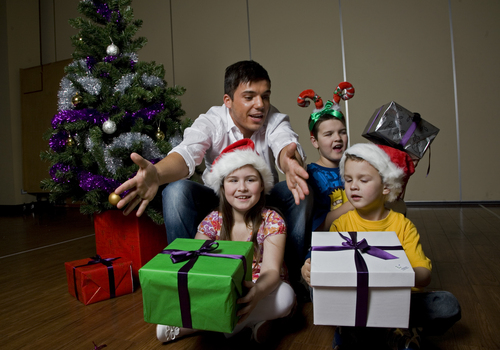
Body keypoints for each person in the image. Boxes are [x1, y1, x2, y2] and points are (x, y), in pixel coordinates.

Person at [114, 60, 313, 290]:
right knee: (176, 192)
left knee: (299, 186)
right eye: (249, 97)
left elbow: (285, 144)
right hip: (220, 202)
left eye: (265, 96)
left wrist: (290, 164)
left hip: (263, 203)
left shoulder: (274, 119)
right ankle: (189, 281)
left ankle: (296, 281)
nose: (260, 105)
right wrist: (157, 174)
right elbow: (187, 154)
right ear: (227, 101)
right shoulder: (212, 121)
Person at [301, 143, 461, 350]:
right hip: (356, 301)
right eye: (348, 180)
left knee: (447, 304)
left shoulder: (402, 225)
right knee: (319, 293)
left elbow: (424, 275)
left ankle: (368, 332)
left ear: (386, 186)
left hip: (397, 301)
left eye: (363, 180)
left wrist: (393, 273)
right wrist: (311, 268)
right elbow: (331, 269)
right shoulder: (341, 224)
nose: (353, 186)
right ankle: (393, 332)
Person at [156, 139, 296, 344]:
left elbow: (271, 271)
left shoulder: (272, 220)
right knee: (174, 318)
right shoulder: (213, 221)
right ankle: (245, 324)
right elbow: (197, 268)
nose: (242, 188)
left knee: (286, 298)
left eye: (250, 180)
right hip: (222, 289)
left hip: (262, 289)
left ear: (262, 185)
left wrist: (256, 293)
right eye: (233, 180)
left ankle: (206, 324)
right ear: (222, 187)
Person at [297, 85, 355, 232]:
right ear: (314, 141)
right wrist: (355, 203)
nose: (338, 138)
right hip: (328, 243)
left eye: (342, 132)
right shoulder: (310, 176)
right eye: (328, 134)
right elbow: (318, 227)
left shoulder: (357, 167)